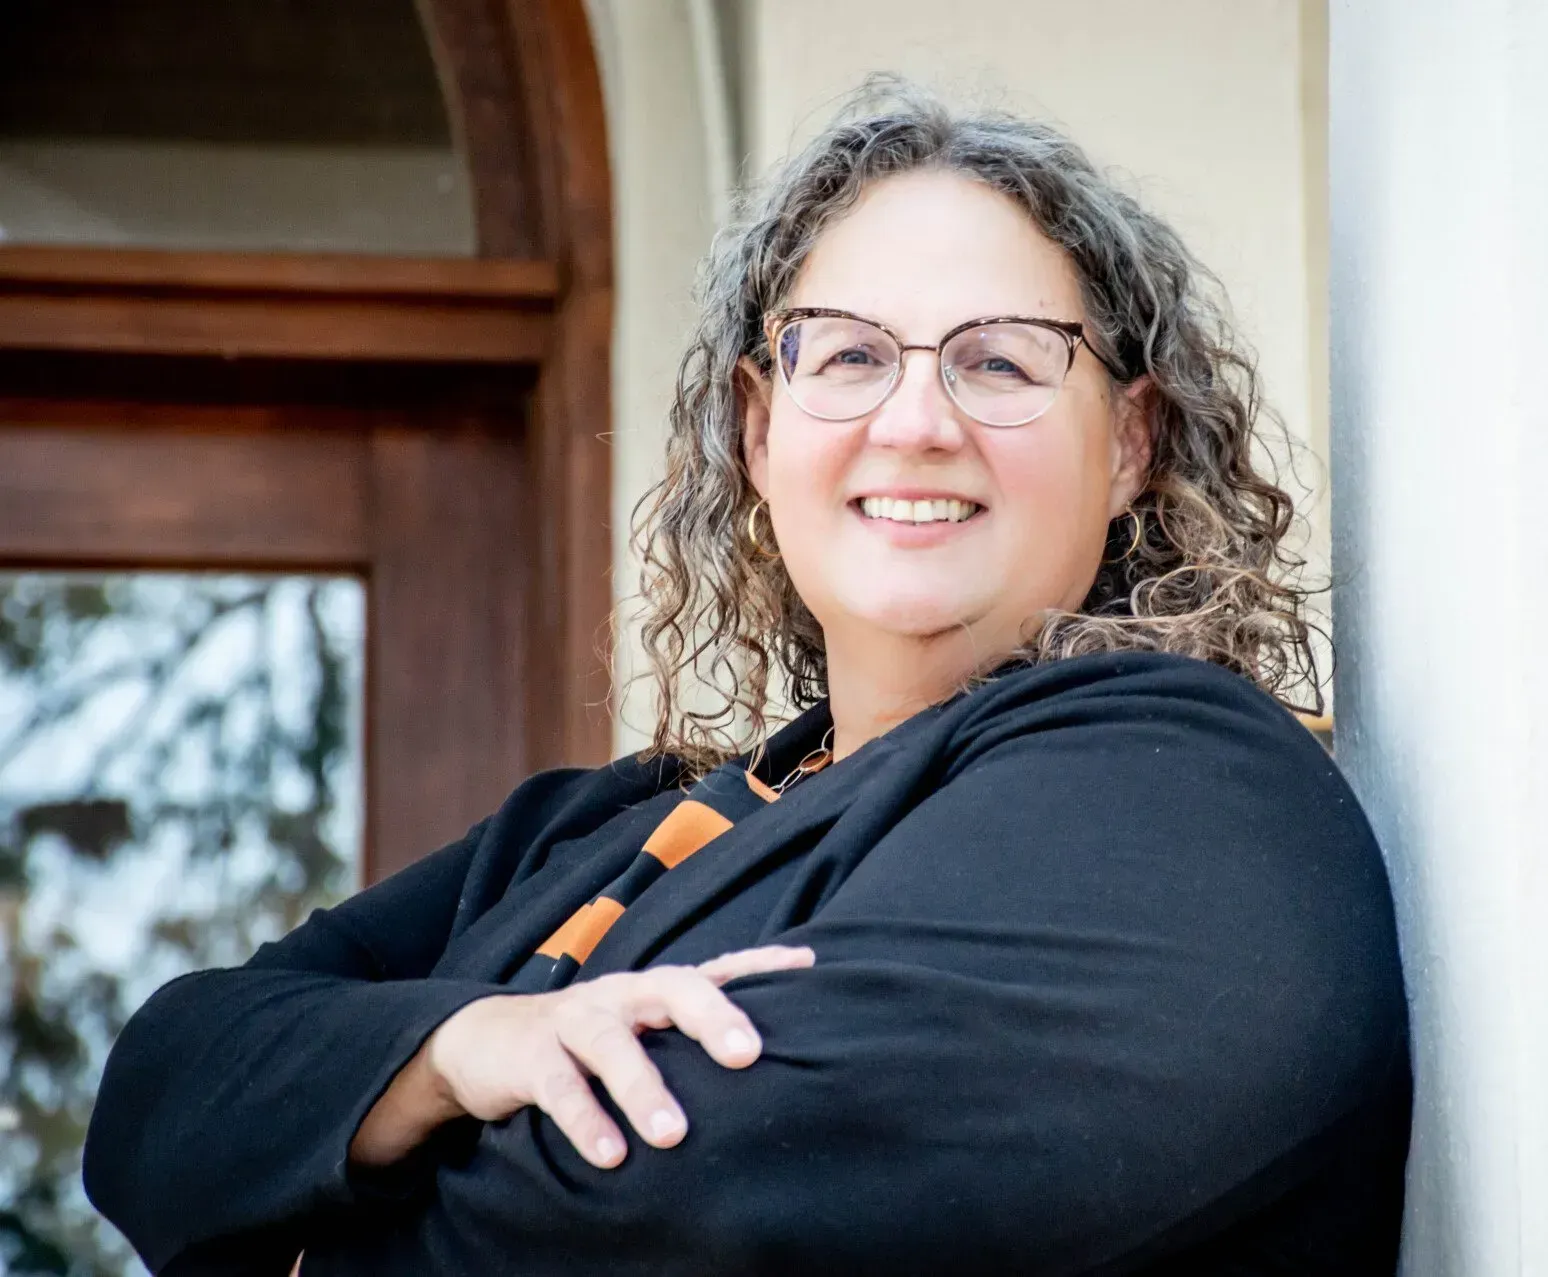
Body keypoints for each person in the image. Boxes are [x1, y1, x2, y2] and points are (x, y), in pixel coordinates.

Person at [83, 81, 1410, 1275]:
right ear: (759, 431)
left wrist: (307, 1219)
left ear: (1131, 442)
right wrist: (453, 1052)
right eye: (846, 356)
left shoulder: (1187, 794)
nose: (917, 421)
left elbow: (703, 1206)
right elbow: (157, 1094)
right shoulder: (590, 828)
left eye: (999, 360)